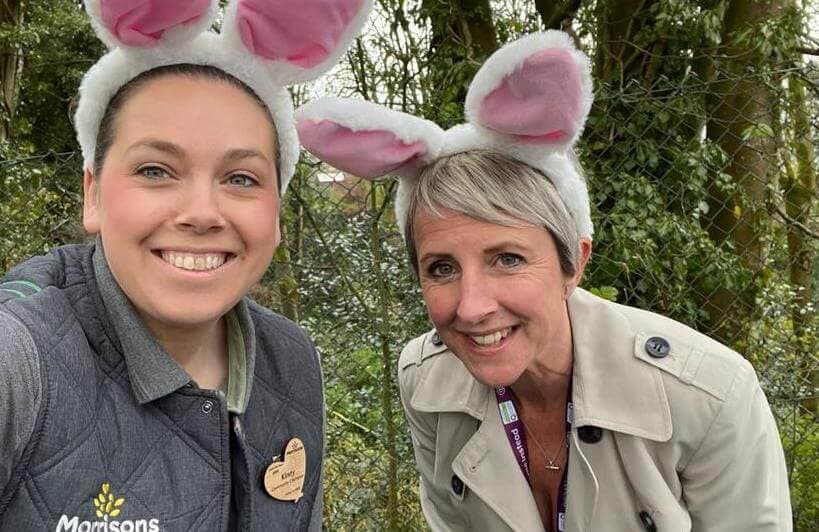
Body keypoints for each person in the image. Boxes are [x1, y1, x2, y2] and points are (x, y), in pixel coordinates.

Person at [295, 31, 792, 531]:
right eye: (441, 268)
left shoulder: (708, 396)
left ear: (572, 263)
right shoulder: (426, 380)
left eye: (507, 258)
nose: (470, 307)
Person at [0, 1, 372, 530]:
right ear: (94, 195)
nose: (202, 213)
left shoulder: (292, 362)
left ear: (277, 212)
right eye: (156, 170)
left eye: (241, 178)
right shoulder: (20, 362)